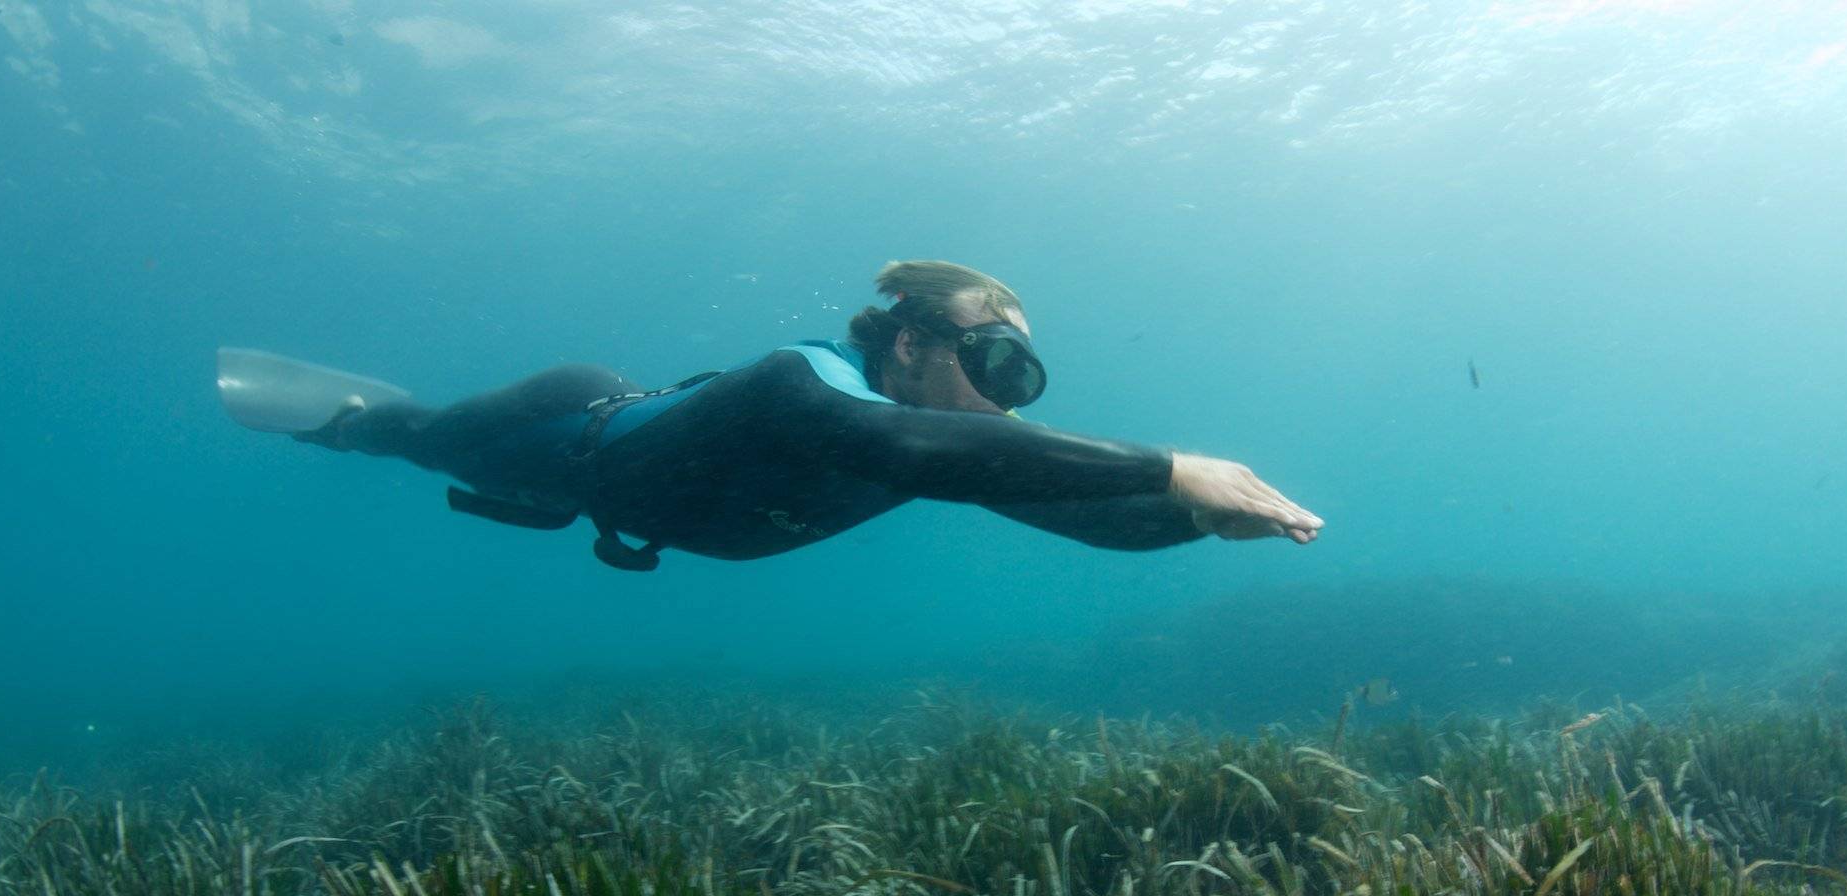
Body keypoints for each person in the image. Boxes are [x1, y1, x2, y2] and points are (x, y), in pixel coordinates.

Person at [216, 260, 1322, 572]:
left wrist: (1190, 522)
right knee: (415, 440)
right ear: (906, 340)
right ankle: (349, 415)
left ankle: (418, 449)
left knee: (518, 497)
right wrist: (1174, 464)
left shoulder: (947, 447)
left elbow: (1092, 519)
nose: (1001, 397)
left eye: (1022, 379)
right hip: (569, 420)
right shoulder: (803, 385)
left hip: (614, 501)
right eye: (991, 360)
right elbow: (881, 442)